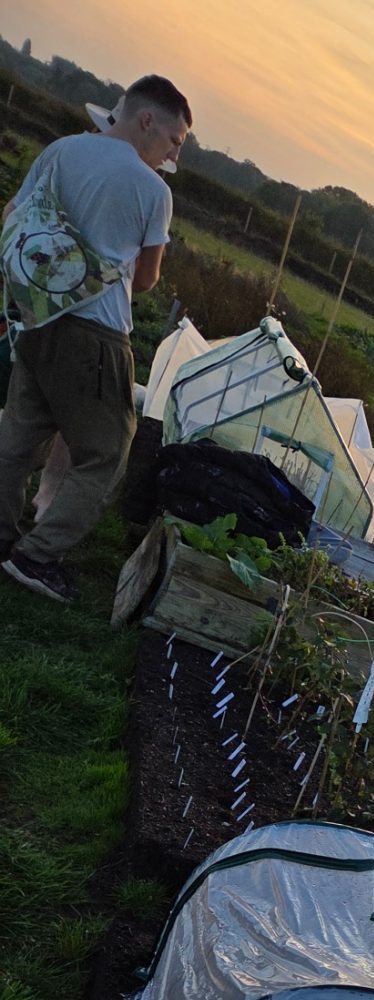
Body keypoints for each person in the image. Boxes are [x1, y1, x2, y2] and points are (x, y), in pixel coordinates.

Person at [0, 73, 191, 603]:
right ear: (147, 120)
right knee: (107, 453)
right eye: (175, 140)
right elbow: (147, 279)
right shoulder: (154, 191)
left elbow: (12, 216)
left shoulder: (62, 150)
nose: (174, 155)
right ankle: (37, 557)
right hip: (98, 333)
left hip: (38, 316)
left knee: (18, 436)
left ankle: (3, 537)